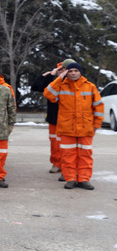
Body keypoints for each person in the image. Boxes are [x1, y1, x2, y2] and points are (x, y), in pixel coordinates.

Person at [43, 62, 104, 190]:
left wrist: (96, 125)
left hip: (85, 128)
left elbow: (98, 106)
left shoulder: (90, 87)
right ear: (66, 73)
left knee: (85, 155)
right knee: (68, 156)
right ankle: (70, 179)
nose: (73, 73)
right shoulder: (61, 86)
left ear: (80, 72)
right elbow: (48, 94)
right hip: (67, 129)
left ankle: (83, 179)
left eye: (76, 70)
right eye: (70, 71)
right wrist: (60, 78)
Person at [31, 59, 75, 175]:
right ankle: (56, 163)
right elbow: (36, 87)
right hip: (54, 118)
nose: (64, 72)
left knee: (69, 145)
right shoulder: (53, 82)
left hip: (70, 119)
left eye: (66, 69)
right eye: (61, 69)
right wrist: (48, 75)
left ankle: (68, 165)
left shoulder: (76, 82)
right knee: (55, 143)